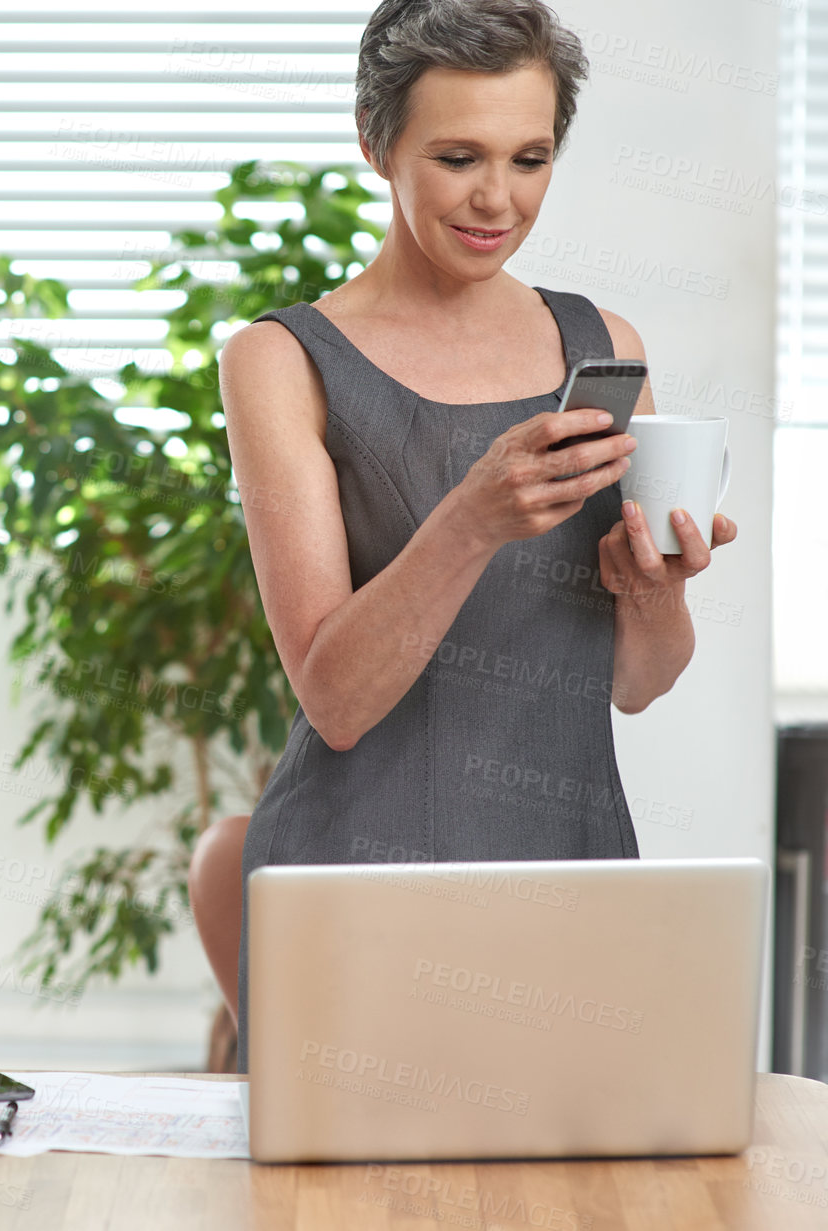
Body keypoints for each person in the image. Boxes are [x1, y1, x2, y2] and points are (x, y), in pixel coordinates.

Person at [212, 0, 738, 1072]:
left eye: (529, 157)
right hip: (356, 884)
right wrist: (471, 518)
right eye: (457, 157)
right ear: (375, 142)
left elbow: (637, 683)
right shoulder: (283, 361)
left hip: (572, 873)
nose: (497, 199)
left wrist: (654, 590)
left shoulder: (604, 344)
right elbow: (336, 697)